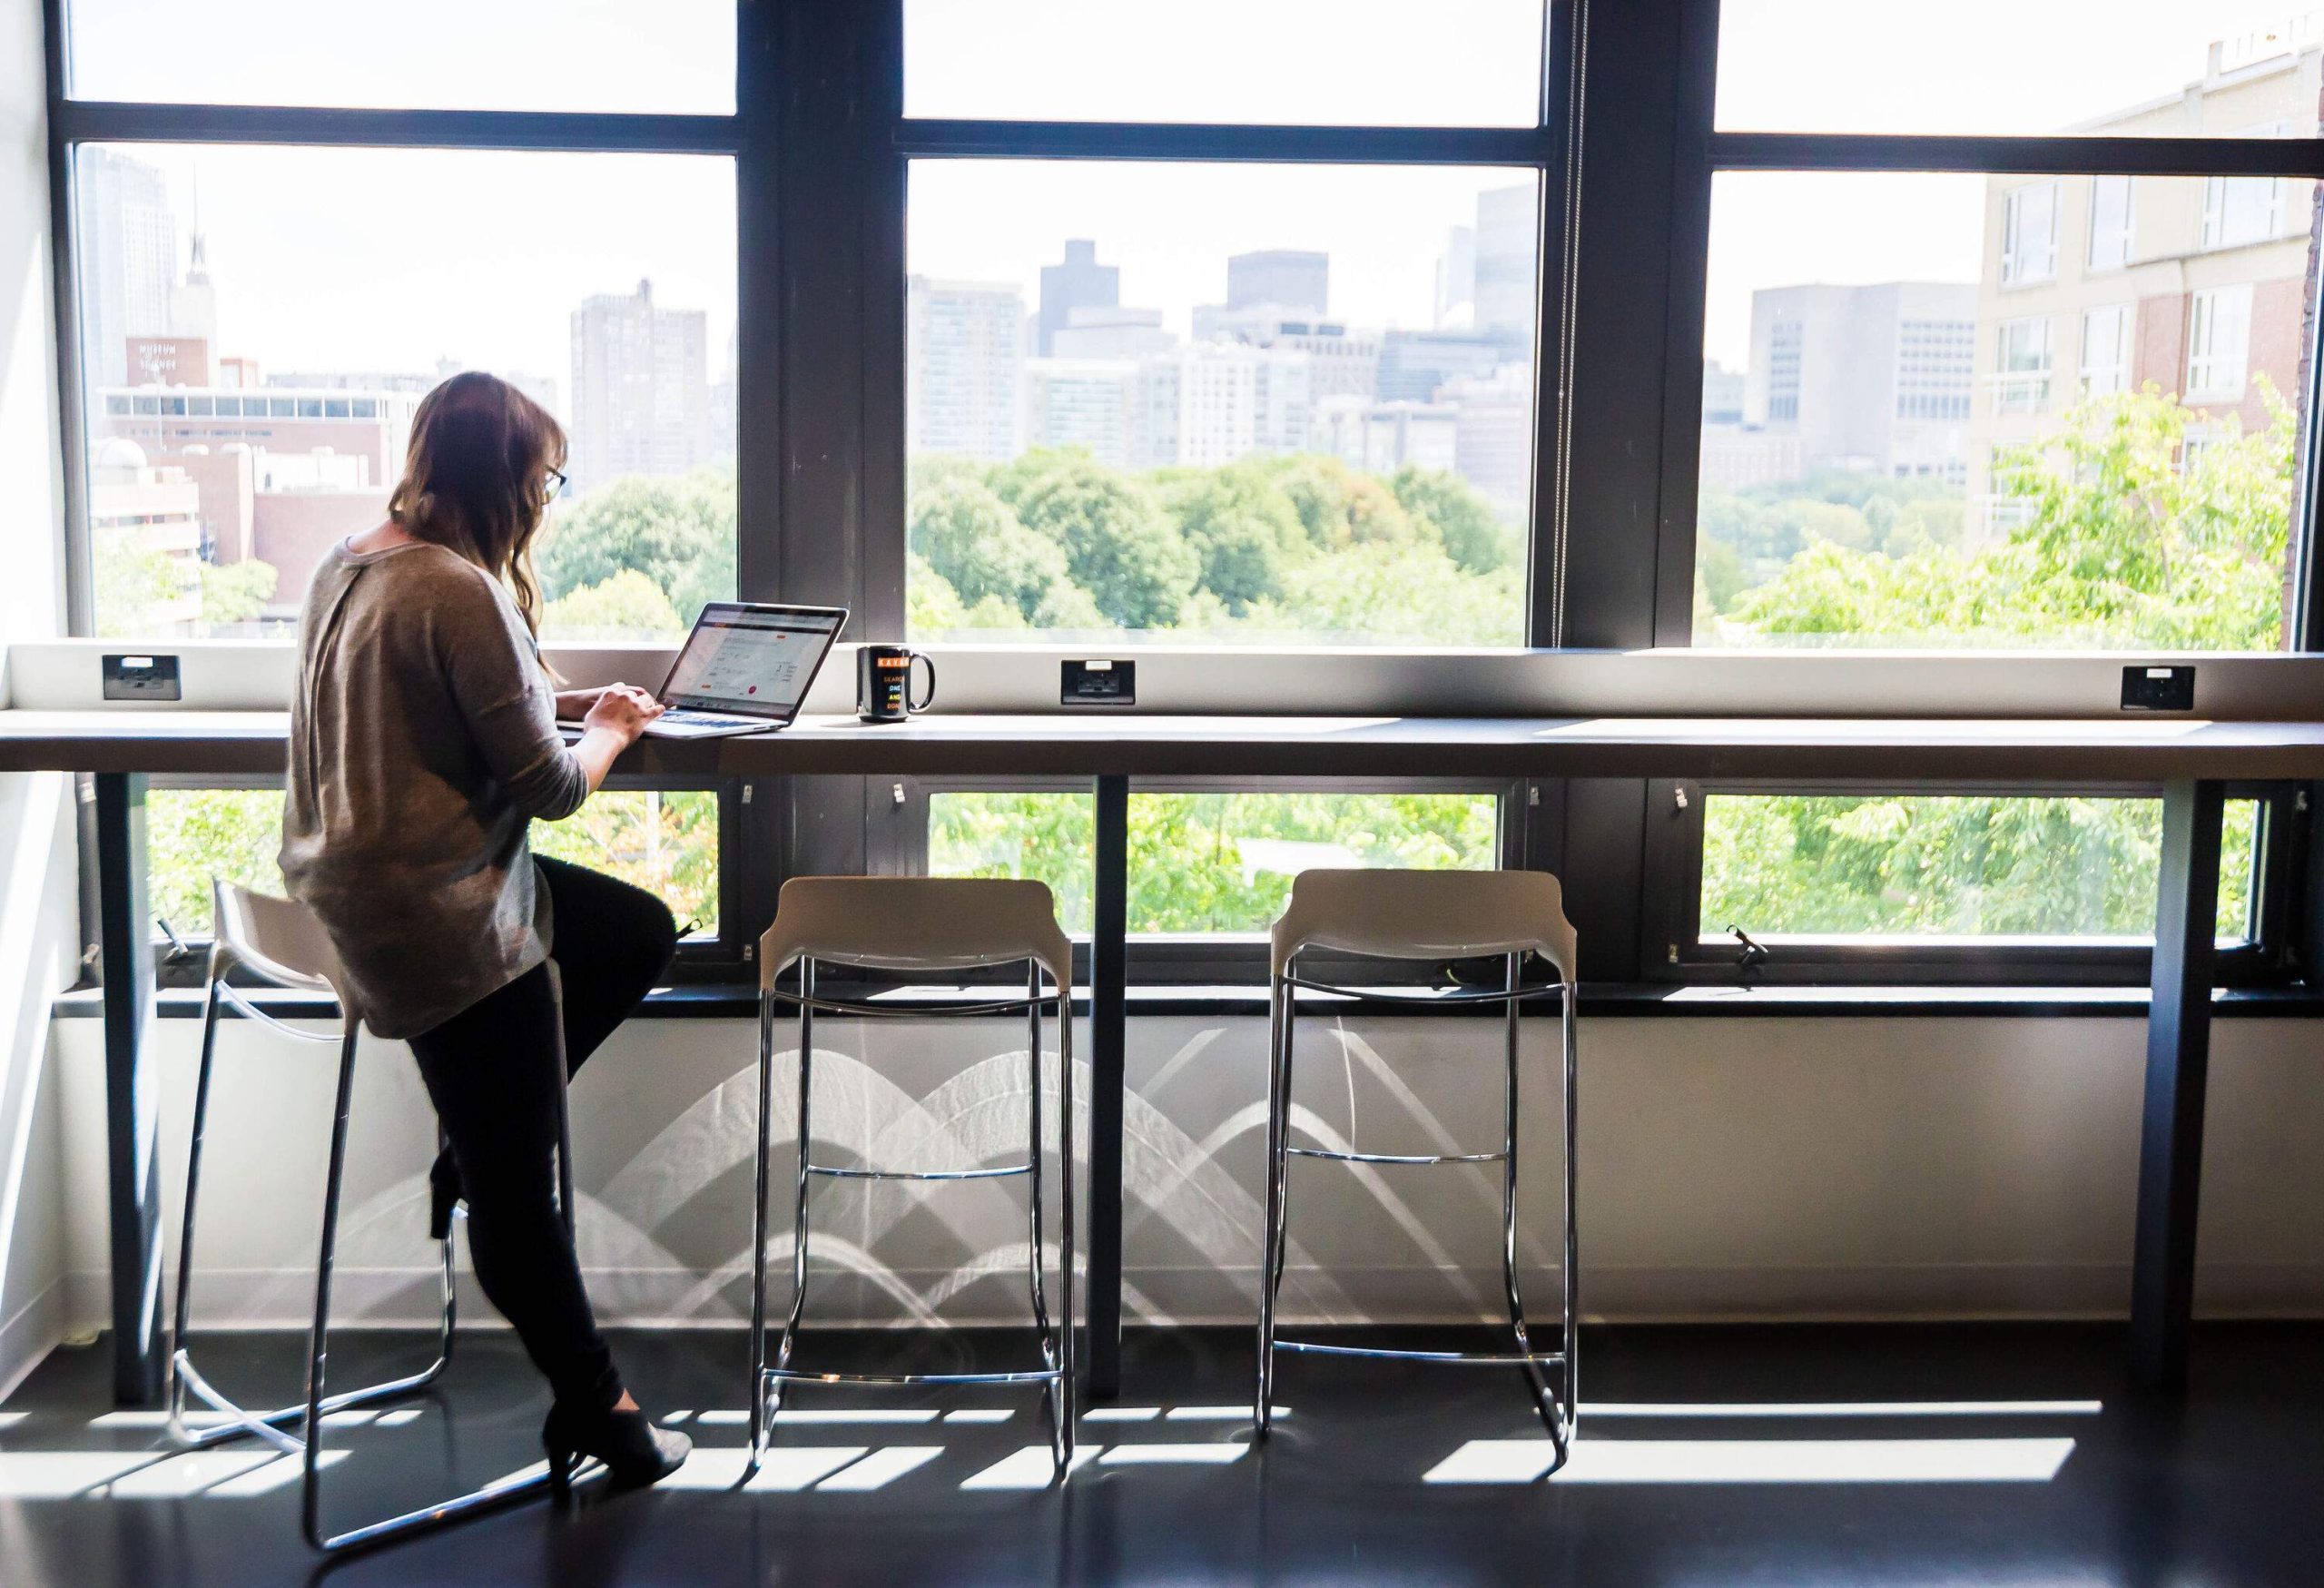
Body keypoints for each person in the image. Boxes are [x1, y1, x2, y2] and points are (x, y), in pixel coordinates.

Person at [280, 371, 689, 1492]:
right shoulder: (459, 590)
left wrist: (556, 706)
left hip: (356, 882)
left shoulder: (353, 559)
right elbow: (553, 790)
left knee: (629, 930)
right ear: (506, 479)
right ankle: (604, 1412)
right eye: (547, 476)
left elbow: (443, 709)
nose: (550, 496)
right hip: (439, 908)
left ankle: (478, 1133)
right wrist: (607, 728)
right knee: (520, 1193)